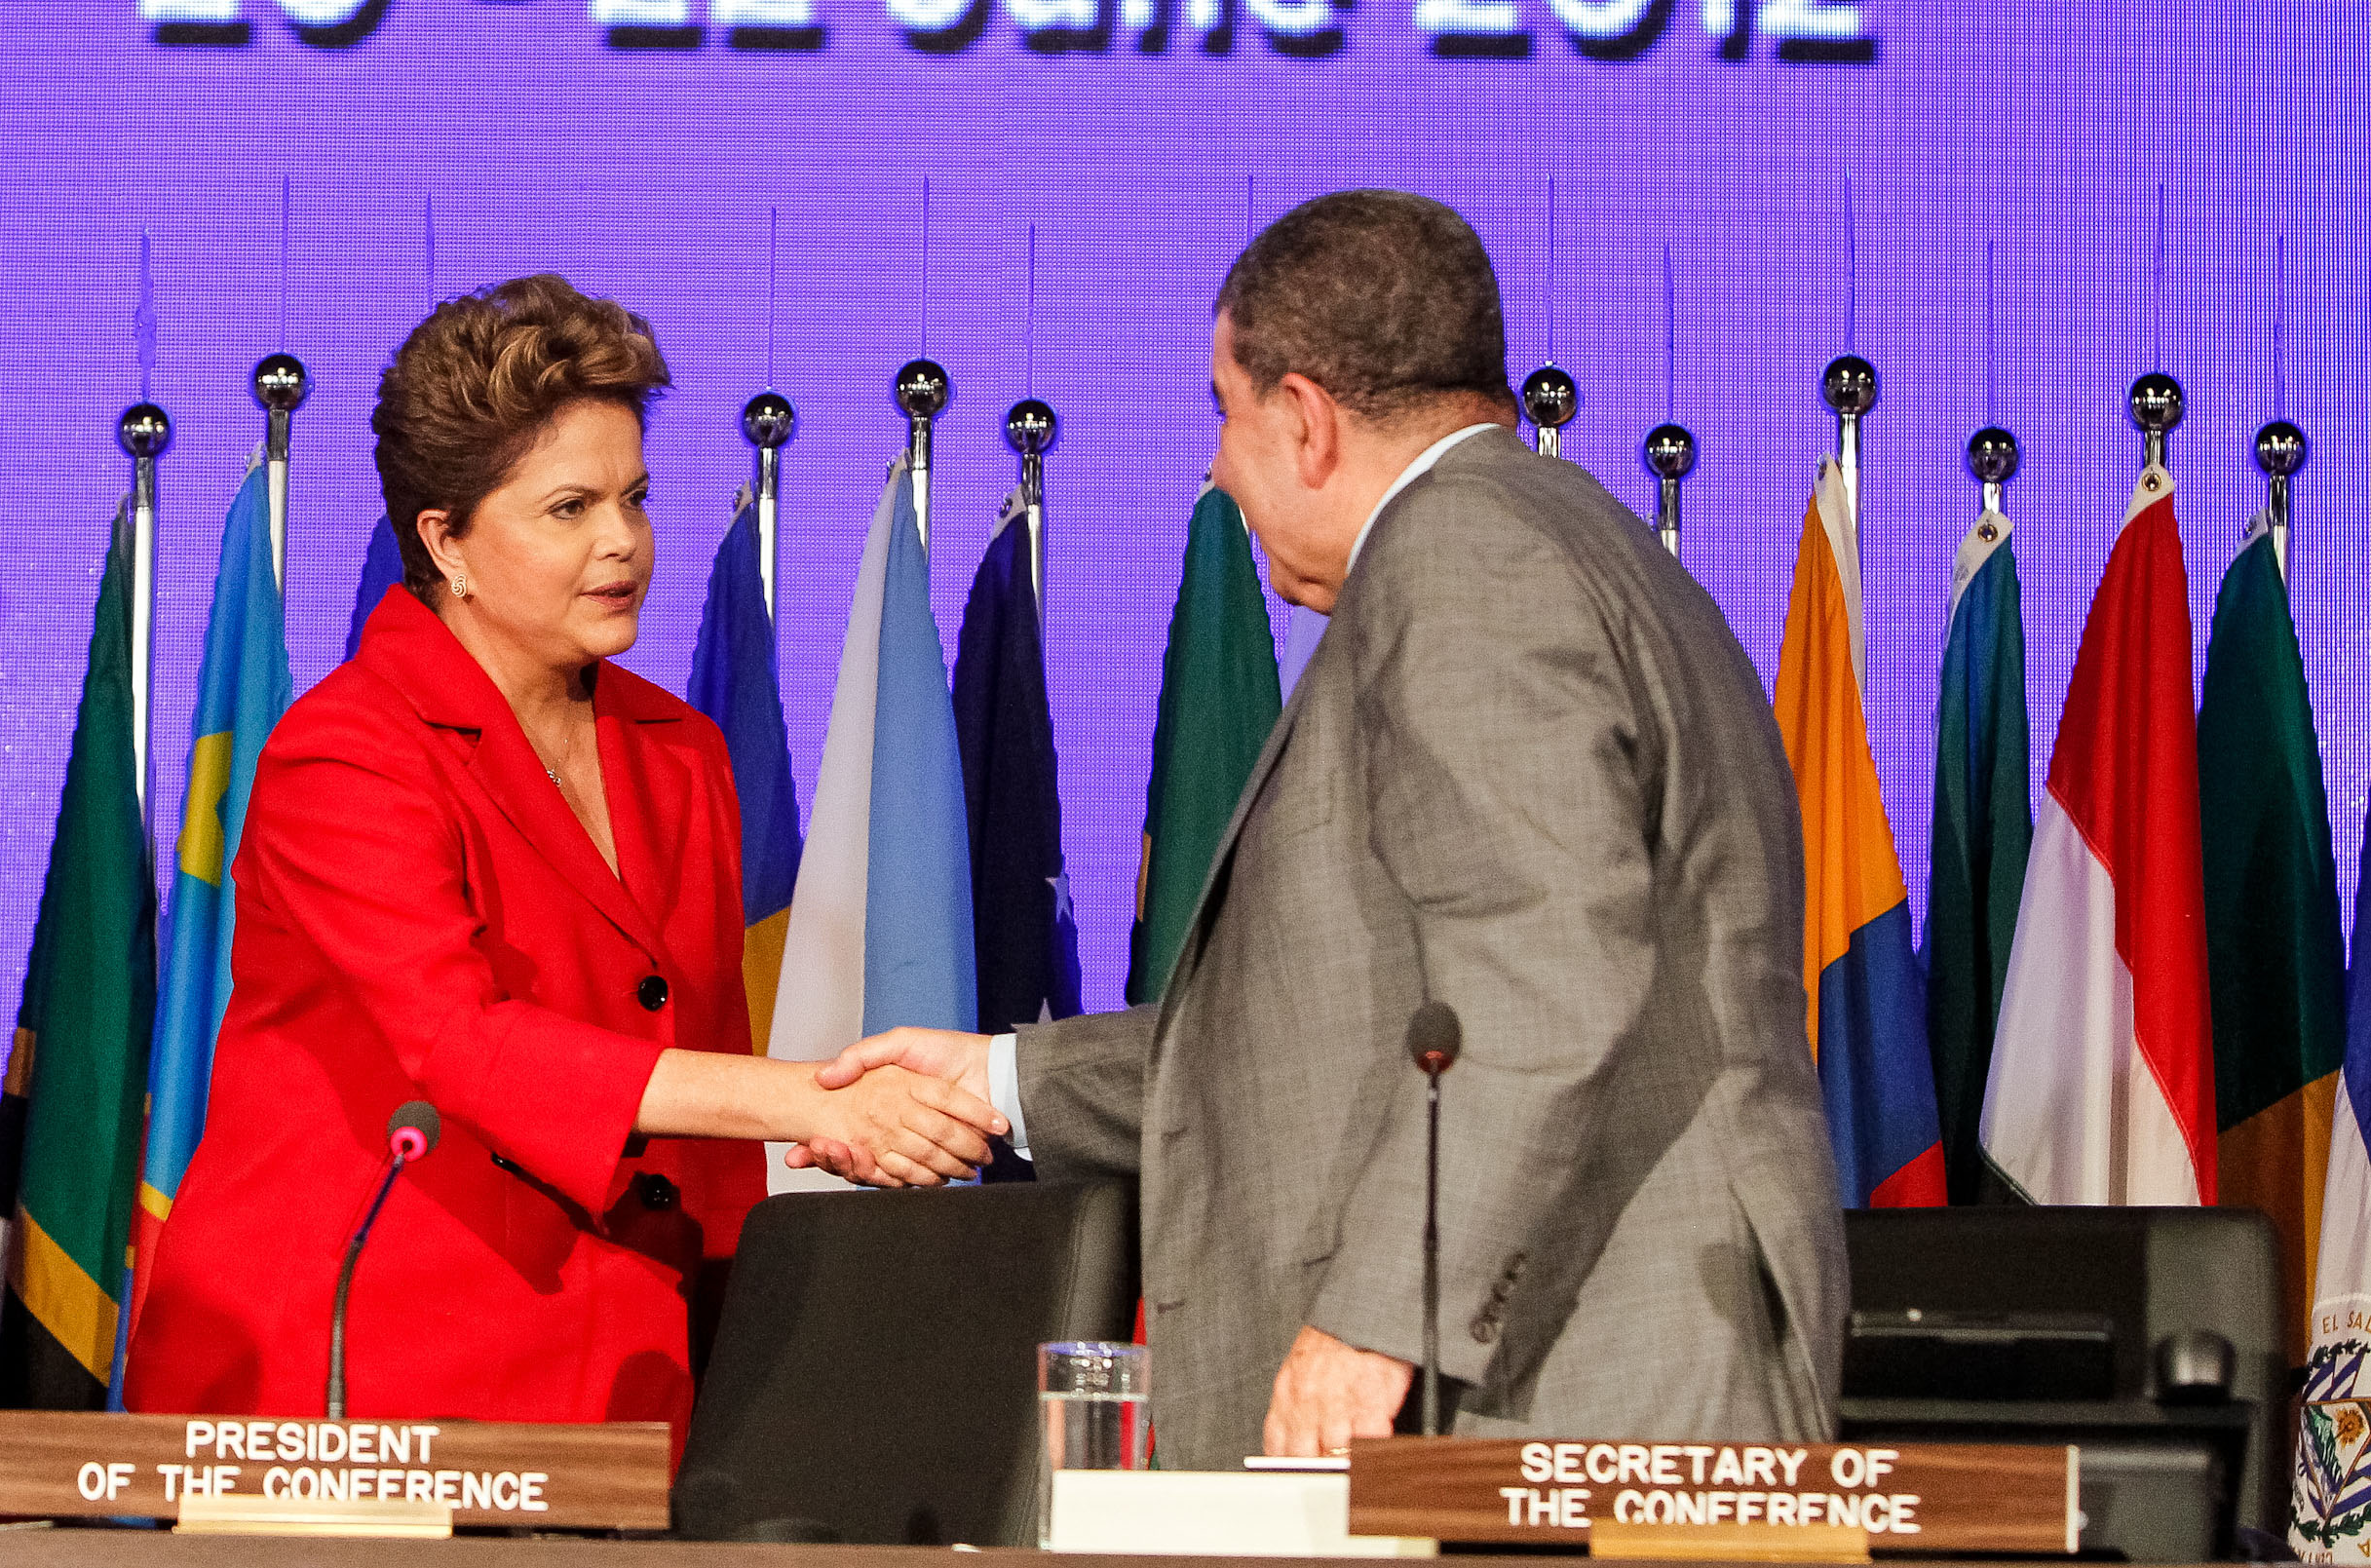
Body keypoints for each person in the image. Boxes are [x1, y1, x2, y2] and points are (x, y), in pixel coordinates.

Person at [822, 191, 1846, 1456]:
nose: (1215, 467)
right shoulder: (1572, 539)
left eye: (1224, 412)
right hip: (1597, 1374)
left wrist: (1379, 1318)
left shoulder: (1464, 558)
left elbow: (1542, 977)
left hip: (1578, 1389)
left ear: (1302, 420)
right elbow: (1348, 1034)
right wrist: (998, 1080)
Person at [125, 275, 1003, 1440]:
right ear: (446, 542)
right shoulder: (344, 750)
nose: (623, 544)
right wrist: (814, 1102)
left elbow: (693, 1089)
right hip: (354, 1375)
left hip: (620, 1372)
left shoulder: (679, 750)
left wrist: (740, 1360)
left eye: (635, 498)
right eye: (569, 508)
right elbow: (460, 1041)